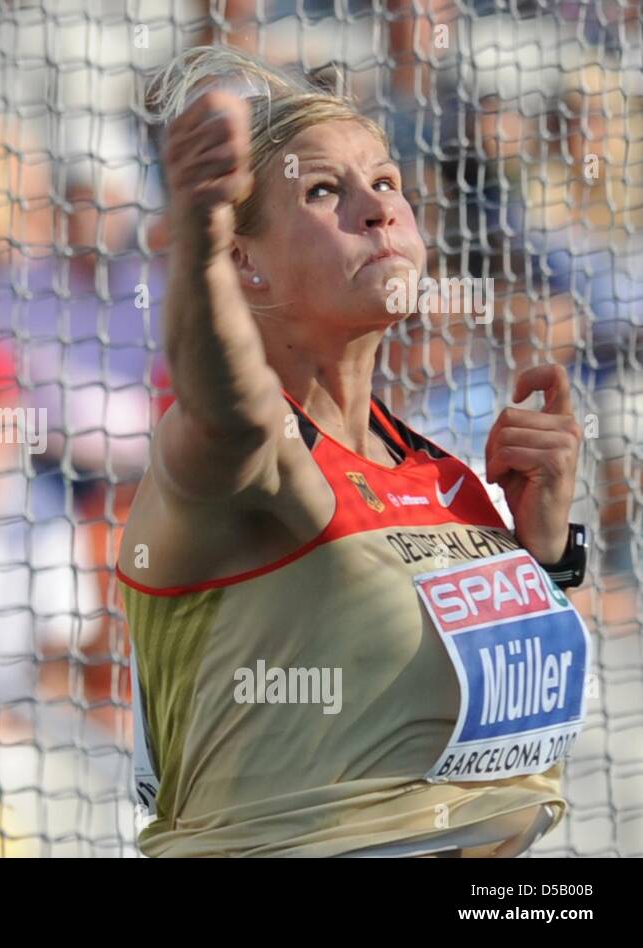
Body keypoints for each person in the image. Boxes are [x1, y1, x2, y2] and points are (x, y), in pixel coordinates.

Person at [117, 46, 591, 857]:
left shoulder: (445, 476)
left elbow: (521, 752)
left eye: (386, 183)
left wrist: (547, 556)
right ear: (245, 263)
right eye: (324, 191)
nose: (377, 211)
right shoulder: (244, 455)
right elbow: (226, 402)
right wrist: (194, 249)